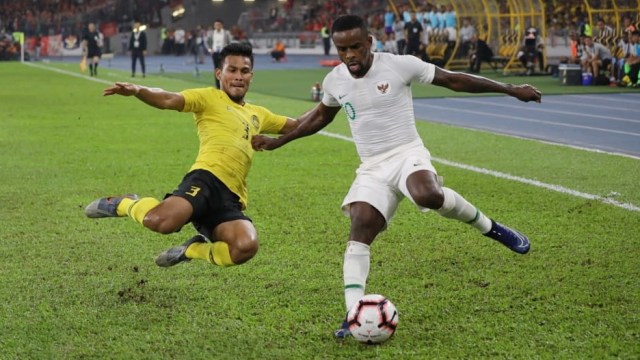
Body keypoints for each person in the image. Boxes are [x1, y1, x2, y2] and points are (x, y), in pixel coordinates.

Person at [251, 15, 541, 339]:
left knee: (427, 194)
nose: (350, 55)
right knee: (359, 227)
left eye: (356, 47)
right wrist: (279, 142)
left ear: (370, 43)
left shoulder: (400, 65)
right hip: (372, 167)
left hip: (407, 153)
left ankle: (492, 229)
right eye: (342, 49)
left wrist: (511, 89)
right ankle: (352, 315)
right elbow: (320, 116)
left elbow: (454, 79)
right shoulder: (335, 81)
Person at [84, 43, 298, 268]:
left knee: (245, 246)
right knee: (160, 221)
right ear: (219, 73)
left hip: (231, 197)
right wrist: (138, 90)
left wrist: (329, 103)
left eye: (244, 71)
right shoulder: (208, 97)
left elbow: (297, 125)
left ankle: (192, 249)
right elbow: (168, 98)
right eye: (231, 70)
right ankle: (125, 203)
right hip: (205, 180)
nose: (238, 76)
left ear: (251, 76)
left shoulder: (259, 114)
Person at [207, 19, 231, 89]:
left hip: (223, 53)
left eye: (218, 25)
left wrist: (228, 51)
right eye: (215, 25)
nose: (217, 26)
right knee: (217, 70)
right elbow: (208, 42)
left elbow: (230, 42)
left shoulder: (226, 33)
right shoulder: (211, 33)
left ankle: (225, 85)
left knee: (224, 69)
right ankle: (218, 86)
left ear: (222, 25)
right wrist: (209, 49)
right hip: (215, 53)